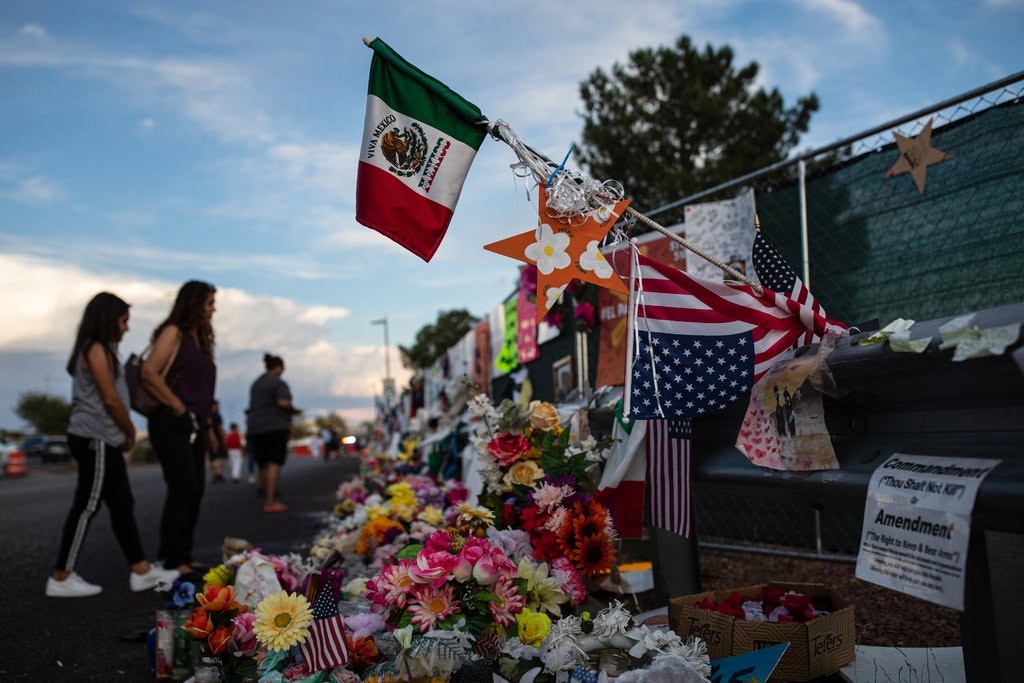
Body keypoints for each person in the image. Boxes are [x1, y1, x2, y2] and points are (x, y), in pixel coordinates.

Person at [47, 292, 179, 598]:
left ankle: (142, 571)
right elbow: (110, 399)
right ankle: (61, 576)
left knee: (122, 505)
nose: (126, 328)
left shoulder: (101, 350)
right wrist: (130, 430)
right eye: (123, 321)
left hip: (103, 438)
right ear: (108, 319)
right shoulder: (95, 349)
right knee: (87, 505)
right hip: (96, 438)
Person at [142, 280, 218, 577]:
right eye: (209, 303)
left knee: (195, 488)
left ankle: (183, 555)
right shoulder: (173, 332)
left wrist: (208, 427)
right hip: (171, 421)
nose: (213, 310)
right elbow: (149, 371)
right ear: (194, 304)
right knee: (182, 487)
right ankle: (170, 560)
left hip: (194, 424)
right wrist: (176, 406)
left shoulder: (198, 337)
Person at [247, 353, 300, 513]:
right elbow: (283, 402)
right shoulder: (278, 382)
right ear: (279, 368)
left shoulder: (257, 383)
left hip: (255, 427)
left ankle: (263, 489)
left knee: (262, 462)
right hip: (274, 426)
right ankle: (271, 501)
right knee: (274, 462)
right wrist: (294, 410)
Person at [207, 399, 228, 482]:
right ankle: (219, 473)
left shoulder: (207, 415)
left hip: (208, 439)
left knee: (211, 458)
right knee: (222, 456)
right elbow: (220, 428)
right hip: (218, 438)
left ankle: (213, 475)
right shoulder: (216, 415)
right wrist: (224, 437)